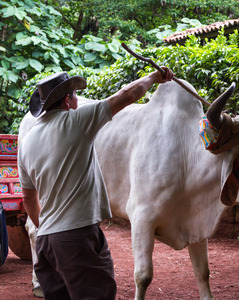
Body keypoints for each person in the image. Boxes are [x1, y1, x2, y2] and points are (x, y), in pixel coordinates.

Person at [18, 68, 174, 300]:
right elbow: (127, 95)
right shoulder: (77, 121)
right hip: (77, 238)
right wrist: (154, 77)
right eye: (75, 95)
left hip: (46, 245)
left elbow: (29, 200)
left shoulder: (28, 142)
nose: (78, 99)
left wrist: (47, 230)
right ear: (68, 100)